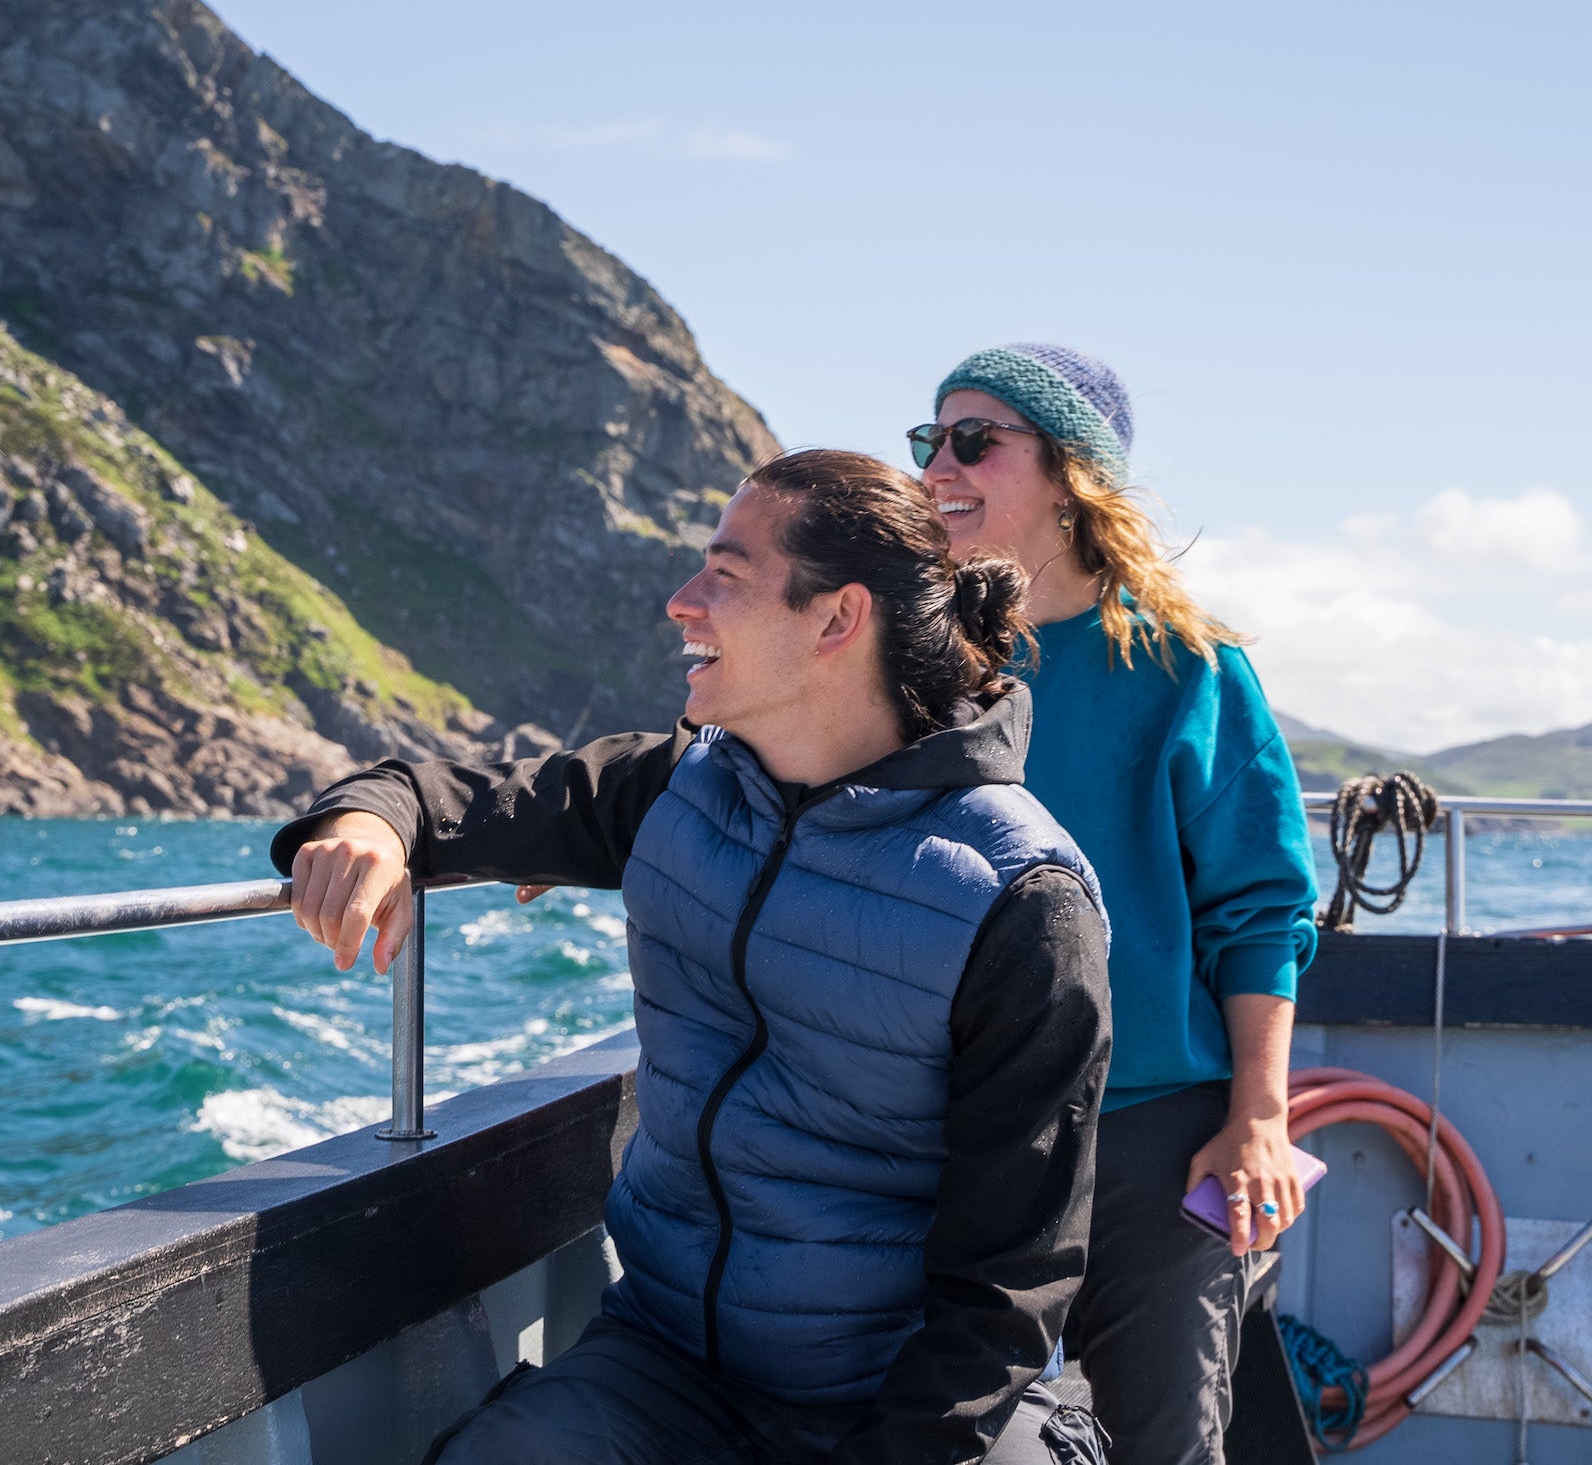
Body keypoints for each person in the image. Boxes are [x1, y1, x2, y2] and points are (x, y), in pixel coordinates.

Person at [275, 450, 1113, 1465]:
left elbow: (1007, 1280)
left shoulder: (1018, 897)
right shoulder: (674, 788)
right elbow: (454, 793)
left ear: (836, 619)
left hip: (909, 1394)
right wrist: (365, 821)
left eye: (724, 572)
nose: (681, 602)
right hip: (669, 1362)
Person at [912, 345, 1321, 1465]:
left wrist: (1258, 1116)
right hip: (959, 1120)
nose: (936, 464)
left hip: (1154, 1121)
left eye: (973, 439)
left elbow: (1263, 908)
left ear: (1070, 473)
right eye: (928, 440)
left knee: (1163, 1440)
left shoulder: (1190, 667)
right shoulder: (914, 667)